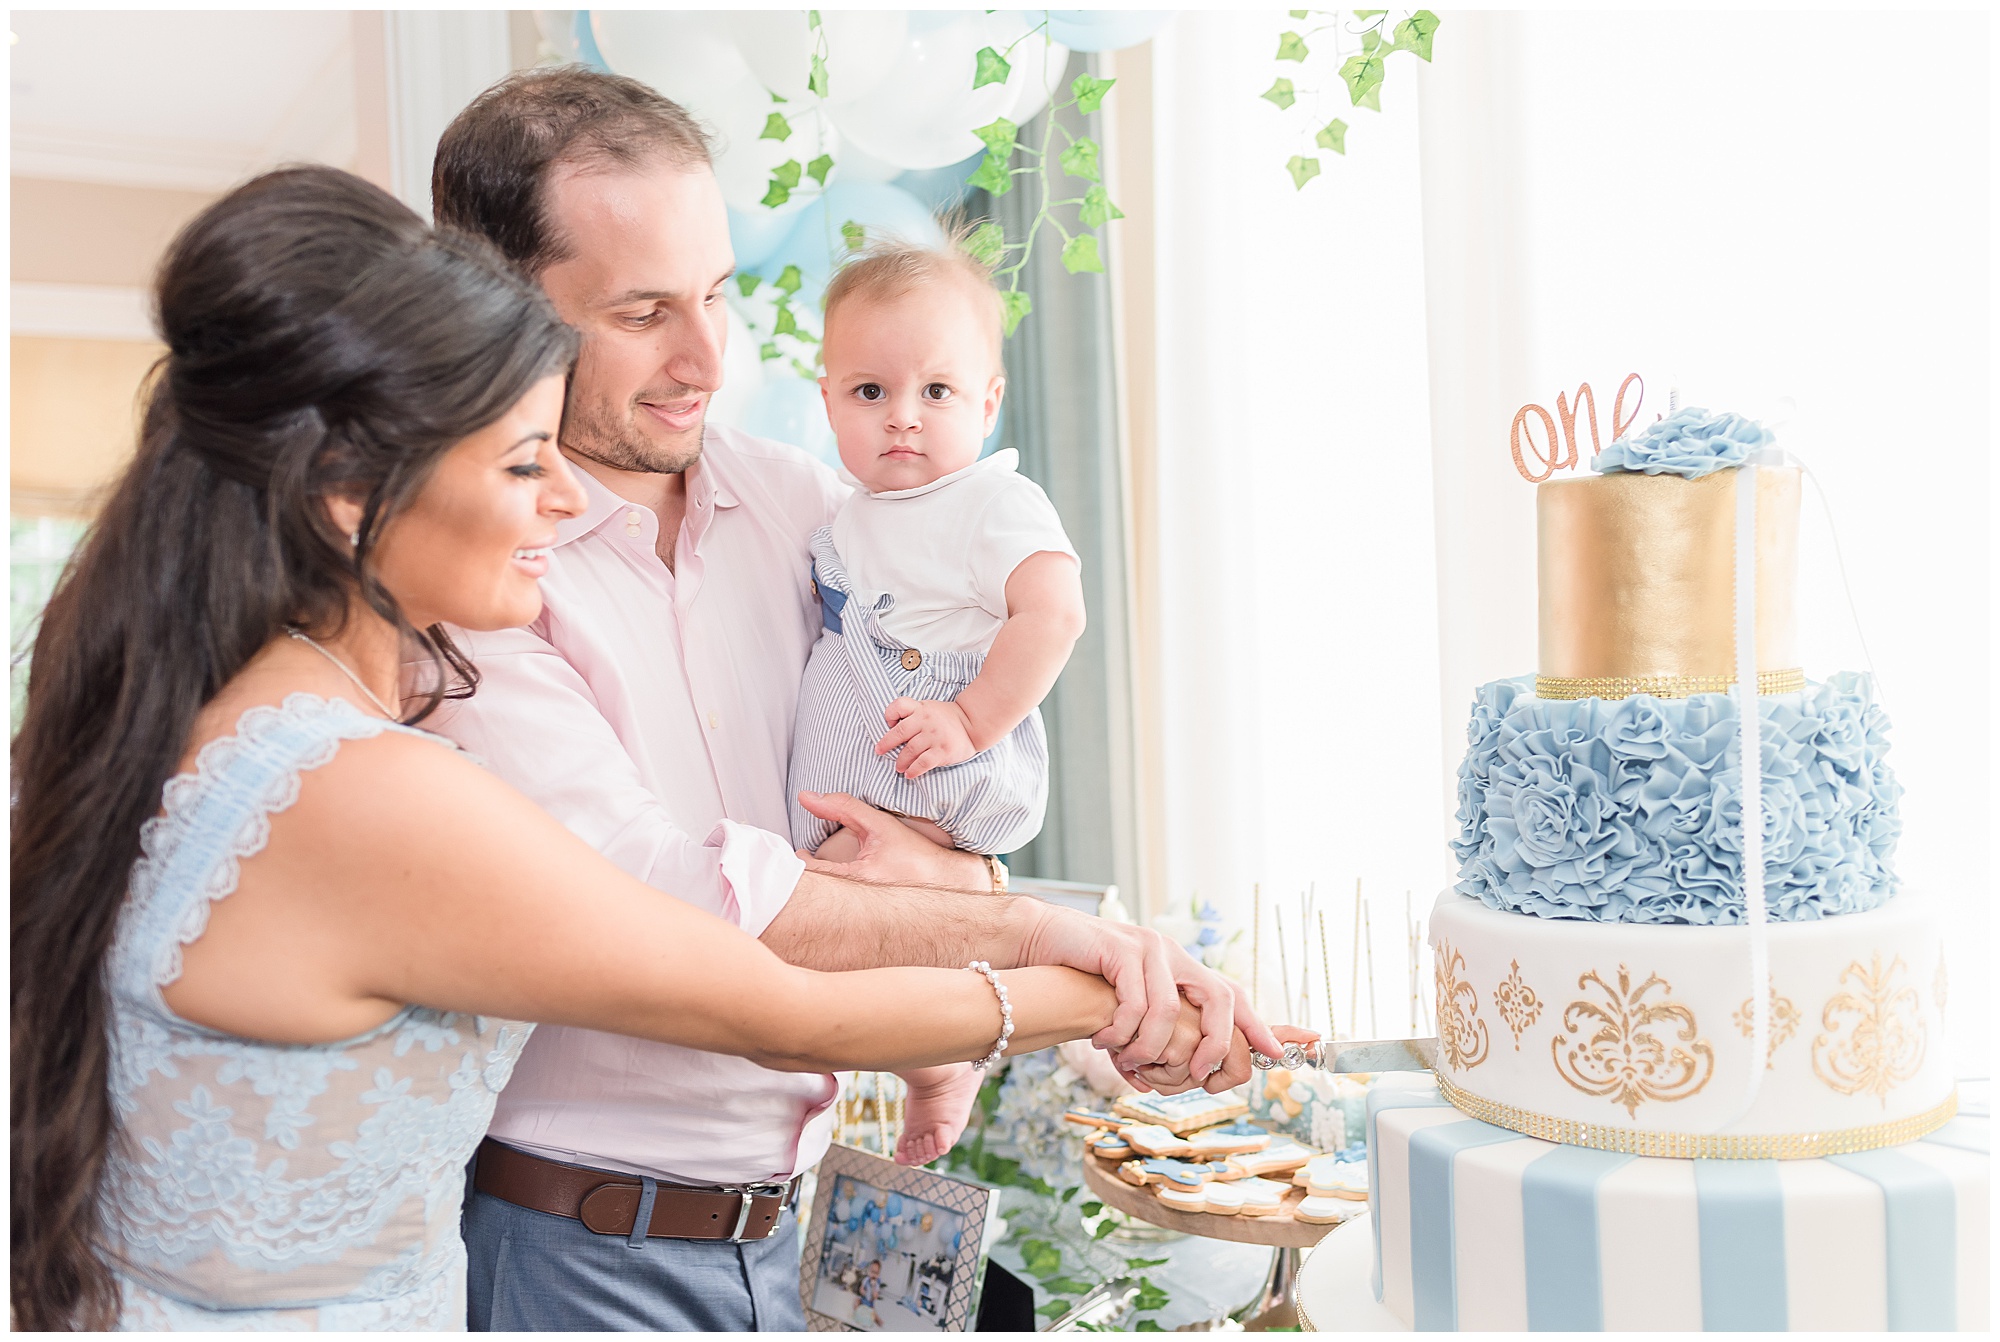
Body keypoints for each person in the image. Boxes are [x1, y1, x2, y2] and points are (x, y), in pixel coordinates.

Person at [5, 167, 1248, 1332]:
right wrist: (1094, 966)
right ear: (346, 495)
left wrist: (988, 897)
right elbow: (780, 1004)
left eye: (712, 295)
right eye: (517, 461)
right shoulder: (356, 788)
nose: (560, 498)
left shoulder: (259, 727)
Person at [426, 67, 1282, 1331]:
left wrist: (974, 889)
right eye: (643, 310)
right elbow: (668, 898)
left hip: (791, 1230)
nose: (707, 355)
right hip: (577, 1251)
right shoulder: (473, 573)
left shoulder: (812, 508)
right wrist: (1047, 944)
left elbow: (919, 796)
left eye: (715, 291)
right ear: (499, 311)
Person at [788, 230, 1089, 1168]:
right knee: (856, 926)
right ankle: (931, 1070)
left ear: (988, 403)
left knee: (862, 916)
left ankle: (938, 1068)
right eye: (870, 392)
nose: (903, 418)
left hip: (932, 758)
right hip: (871, 766)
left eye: (938, 392)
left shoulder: (991, 504)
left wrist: (971, 719)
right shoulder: (847, 509)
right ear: (829, 399)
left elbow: (1054, 613)